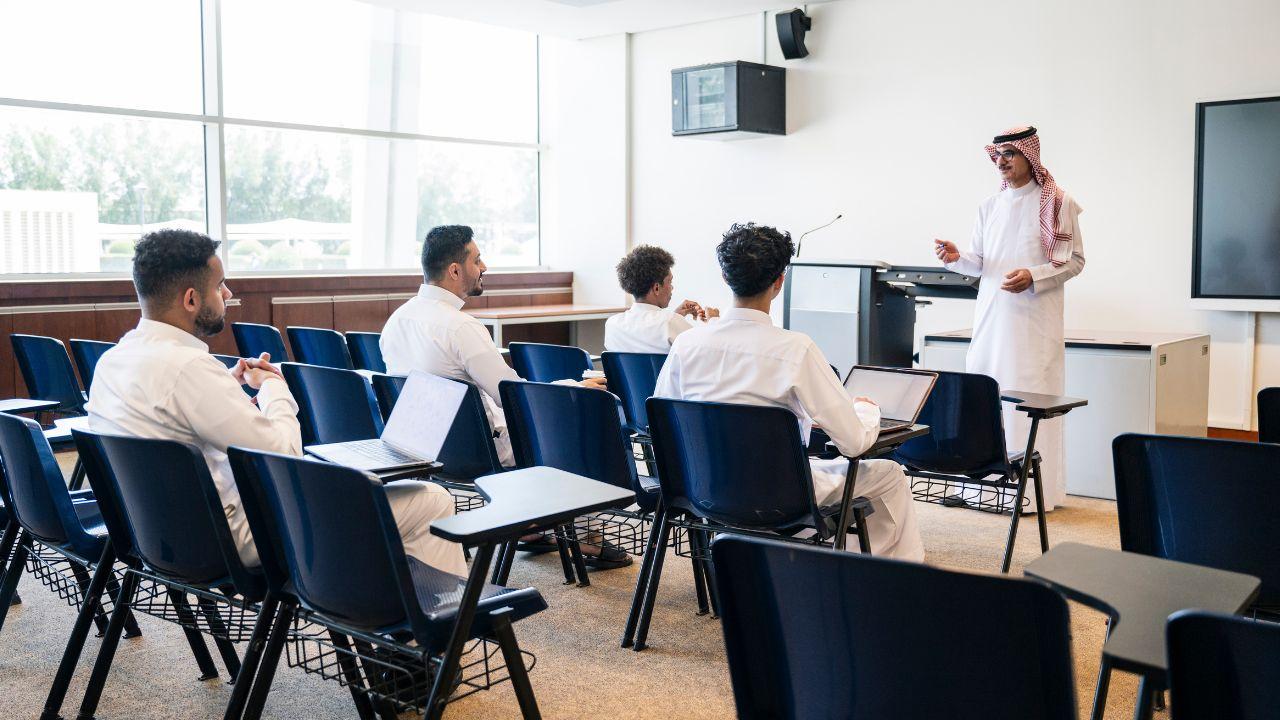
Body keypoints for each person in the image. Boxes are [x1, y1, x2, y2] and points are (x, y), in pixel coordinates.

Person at [88, 229, 466, 575]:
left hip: (154, 536)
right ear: (191, 299)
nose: (229, 294)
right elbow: (286, 452)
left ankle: (383, 613)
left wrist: (229, 391)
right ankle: (432, 636)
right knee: (429, 498)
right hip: (235, 540)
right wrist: (273, 388)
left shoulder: (113, 361)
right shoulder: (189, 368)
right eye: (220, 286)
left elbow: (181, 425)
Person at [654, 223, 924, 561]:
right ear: (780, 281)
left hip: (702, 489)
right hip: (780, 495)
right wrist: (866, 410)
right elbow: (854, 443)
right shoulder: (796, 349)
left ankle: (829, 556)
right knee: (891, 475)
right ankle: (873, 572)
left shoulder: (686, 344)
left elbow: (664, 421)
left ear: (725, 277)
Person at [380, 224, 629, 569]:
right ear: (455, 270)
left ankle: (529, 527)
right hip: (483, 449)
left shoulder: (397, 320)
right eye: (478, 260)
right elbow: (512, 398)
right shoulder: (461, 327)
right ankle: (586, 539)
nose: (485, 267)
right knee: (575, 417)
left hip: (426, 448)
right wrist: (574, 388)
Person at [934, 126, 1085, 512]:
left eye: (1010, 154)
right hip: (990, 319)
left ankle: (1034, 495)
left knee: (1026, 397)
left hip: (1033, 322)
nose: (1001, 161)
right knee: (986, 395)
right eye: (997, 155)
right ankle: (981, 490)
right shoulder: (988, 206)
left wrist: (1034, 276)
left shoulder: (1057, 203)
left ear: (1029, 157)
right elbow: (981, 262)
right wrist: (957, 258)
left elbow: (1074, 261)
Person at [604, 245, 718, 353]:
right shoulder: (670, 322)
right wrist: (714, 322)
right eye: (670, 281)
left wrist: (675, 317)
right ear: (657, 288)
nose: (672, 287)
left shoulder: (612, 325)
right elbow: (708, 352)